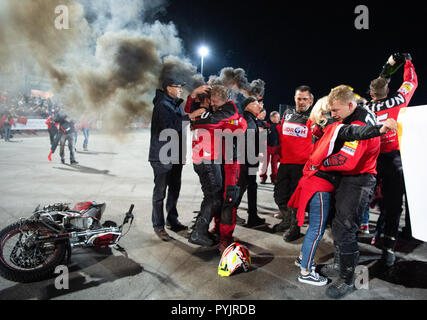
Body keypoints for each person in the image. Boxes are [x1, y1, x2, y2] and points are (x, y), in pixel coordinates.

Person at [288, 97, 398, 286]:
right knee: (317, 229)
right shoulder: (333, 127)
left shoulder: (318, 129)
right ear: (323, 114)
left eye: (335, 111)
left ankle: (303, 259)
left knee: (322, 226)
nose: (334, 115)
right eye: (330, 111)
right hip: (319, 185)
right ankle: (305, 271)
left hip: (315, 181)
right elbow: (355, 132)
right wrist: (379, 129)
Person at [318, 85, 380, 299]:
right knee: (338, 224)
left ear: (350, 105)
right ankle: (339, 264)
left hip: (359, 177)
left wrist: (319, 162)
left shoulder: (360, 122)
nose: (332, 115)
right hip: (350, 176)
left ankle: (347, 279)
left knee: (345, 227)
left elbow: (346, 160)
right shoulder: (353, 113)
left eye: (335, 111)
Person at [364, 54, 418, 266]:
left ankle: (354, 237)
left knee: (360, 200)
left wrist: (387, 67)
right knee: (393, 203)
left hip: (371, 159)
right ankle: (388, 248)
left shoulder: (365, 107)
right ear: (388, 90)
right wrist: (408, 63)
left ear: (371, 93)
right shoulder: (398, 99)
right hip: (394, 160)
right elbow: (411, 82)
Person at [188, 85, 247, 249]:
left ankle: (223, 237)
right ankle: (207, 230)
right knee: (215, 197)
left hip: (229, 161)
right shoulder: (209, 115)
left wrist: (193, 114)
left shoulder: (226, 113)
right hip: (213, 160)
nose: (213, 105)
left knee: (226, 198)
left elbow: (240, 125)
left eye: (215, 102)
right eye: (210, 101)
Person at [148, 77, 205, 241]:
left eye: (181, 86)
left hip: (175, 156)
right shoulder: (162, 105)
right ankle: (158, 225)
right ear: (168, 88)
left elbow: (181, 123)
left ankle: (172, 220)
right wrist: (191, 116)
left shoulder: (175, 104)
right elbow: (169, 127)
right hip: (162, 156)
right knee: (160, 193)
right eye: (177, 86)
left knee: (174, 190)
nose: (180, 88)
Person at [273, 85, 314, 241]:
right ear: (295, 98)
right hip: (285, 163)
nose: (301, 102)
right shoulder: (288, 113)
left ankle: (295, 228)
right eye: (299, 98)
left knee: (296, 200)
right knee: (279, 196)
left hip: (302, 166)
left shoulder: (314, 117)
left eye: (305, 99)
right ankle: (287, 220)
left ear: (310, 100)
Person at [234, 97, 267, 228]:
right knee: (241, 188)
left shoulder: (252, 119)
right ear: (247, 106)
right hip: (246, 161)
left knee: (251, 187)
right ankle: (229, 215)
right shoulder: (247, 120)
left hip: (250, 161)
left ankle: (253, 216)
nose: (259, 106)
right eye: (255, 104)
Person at [260, 111, 281, 184]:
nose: (278, 118)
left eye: (279, 117)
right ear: (272, 117)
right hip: (267, 147)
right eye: (277, 117)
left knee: (274, 164)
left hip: (276, 148)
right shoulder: (265, 124)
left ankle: (274, 178)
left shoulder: (280, 125)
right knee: (264, 164)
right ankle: (263, 178)